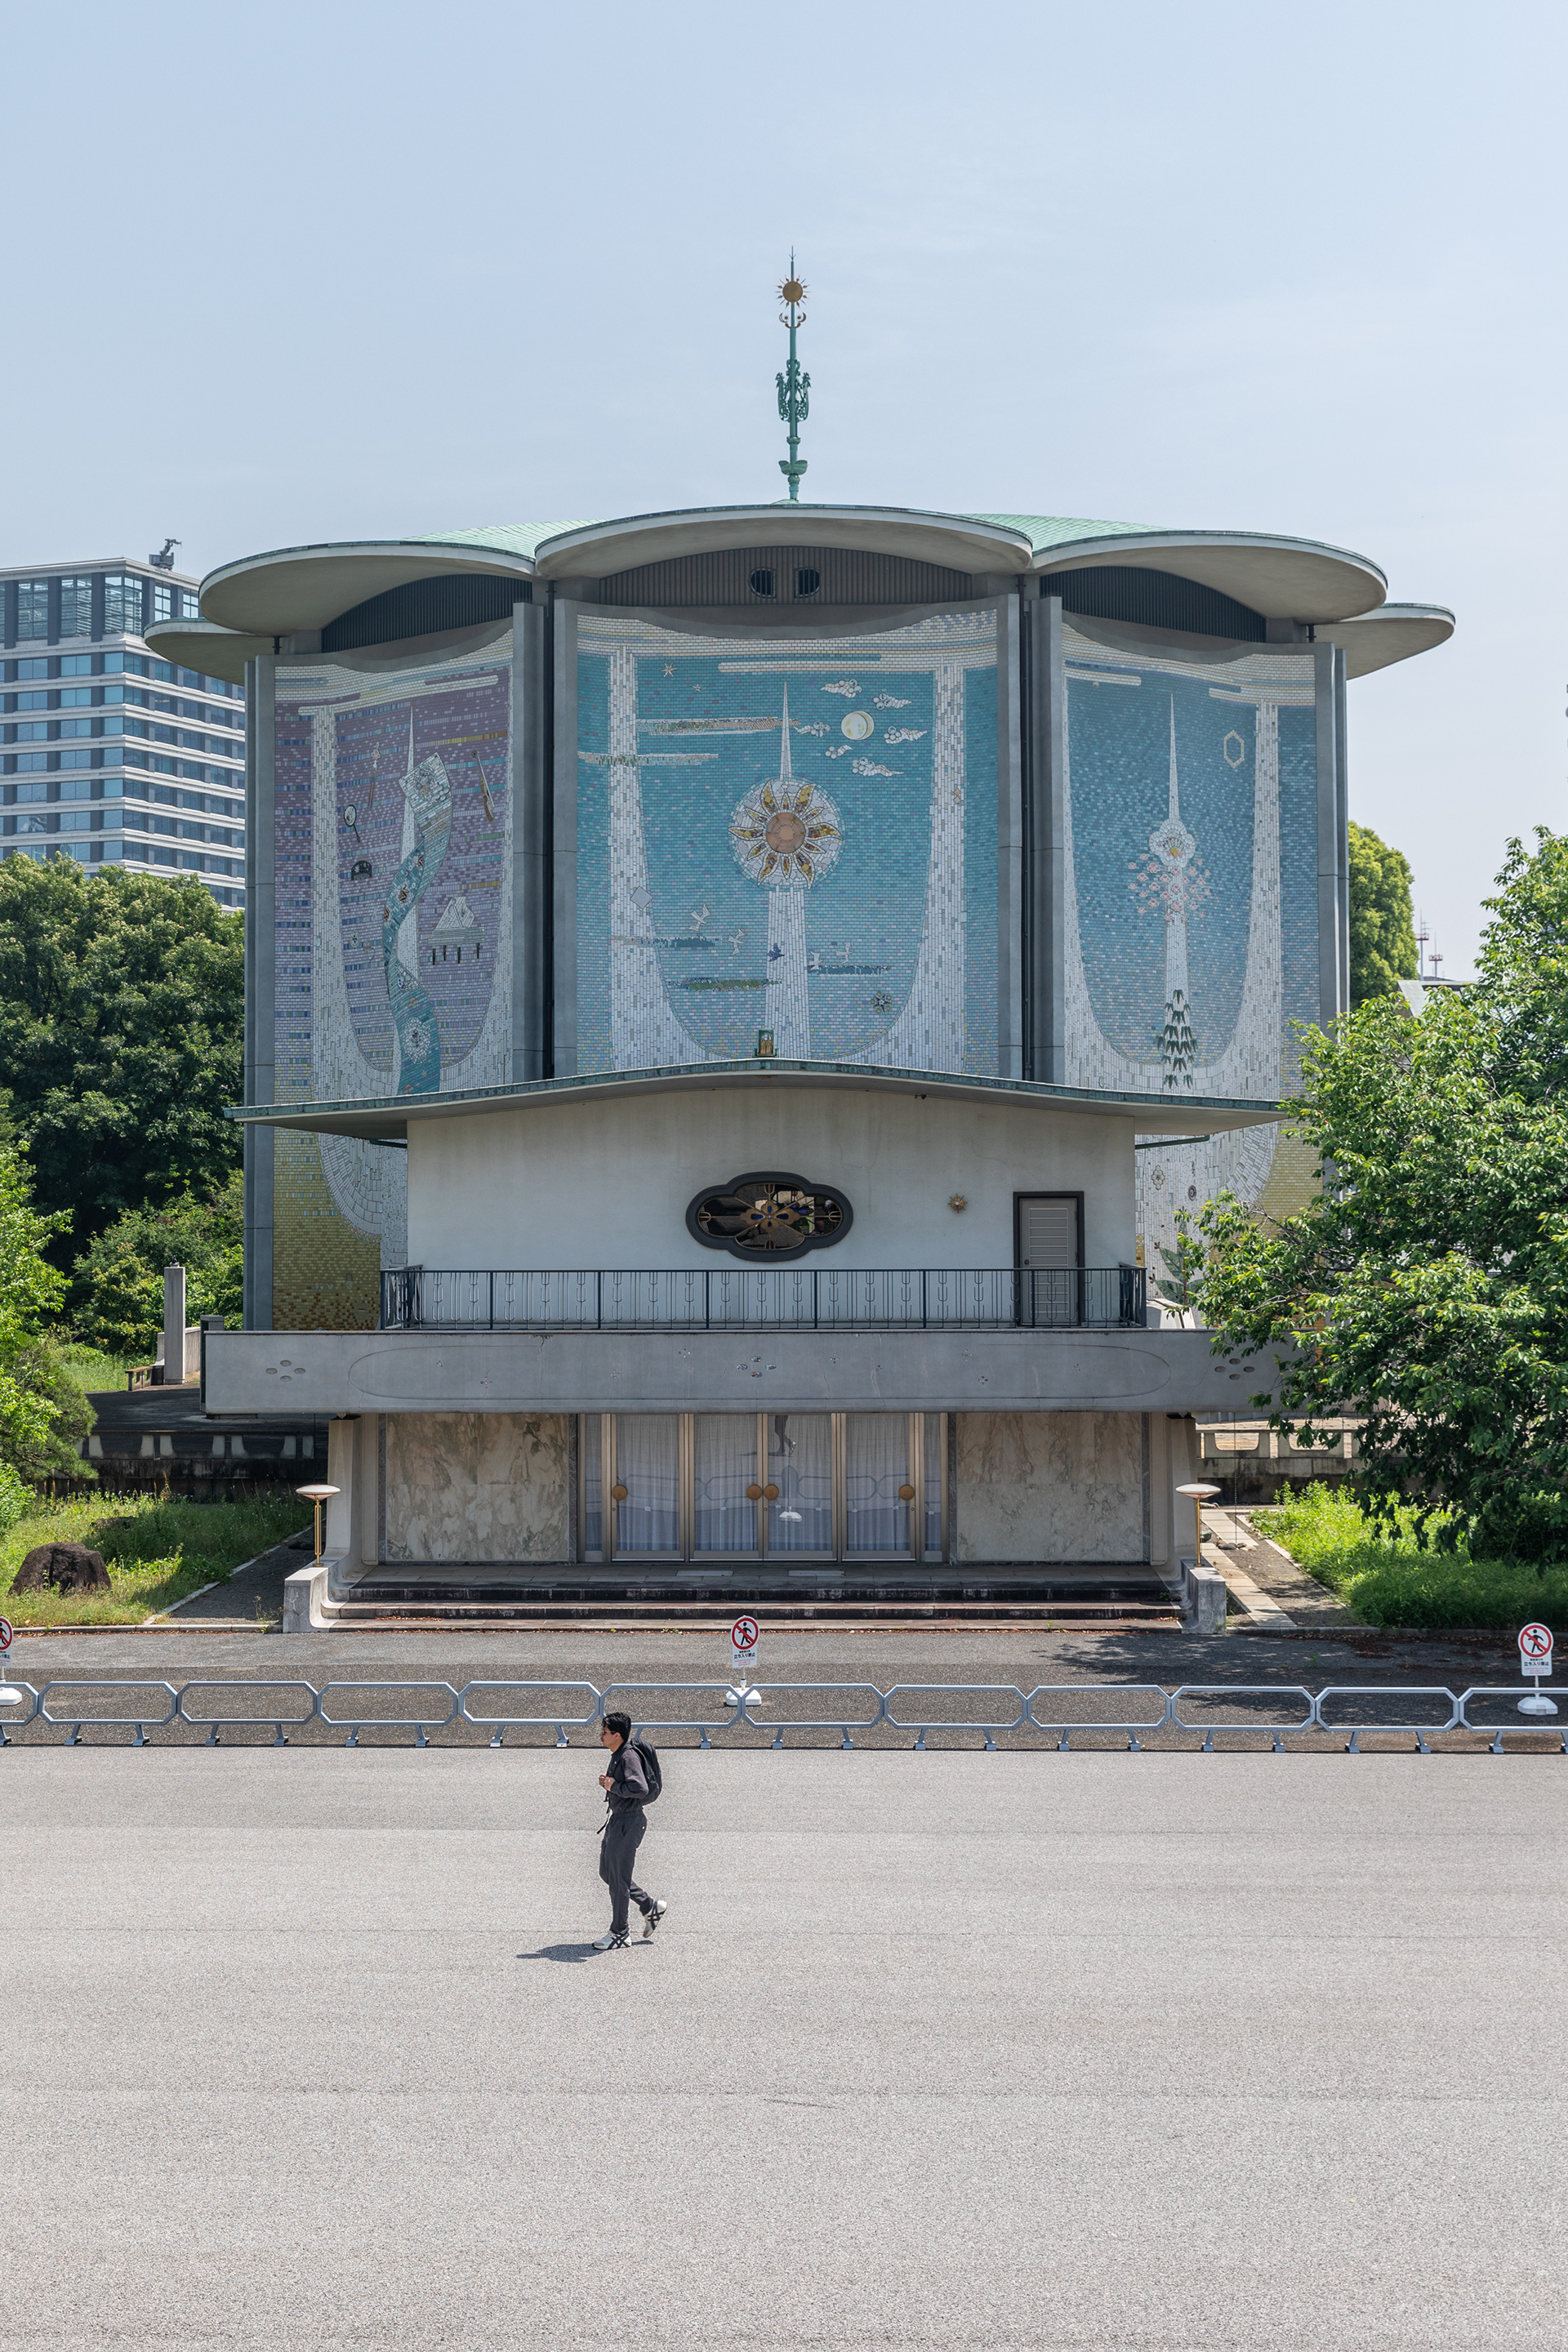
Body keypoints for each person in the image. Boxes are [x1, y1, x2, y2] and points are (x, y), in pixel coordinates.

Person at [593, 1713, 667, 1952]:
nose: (600, 1735)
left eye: (604, 1732)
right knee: (608, 1873)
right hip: (619, 1821)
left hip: (629, 1822)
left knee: (618, 1879)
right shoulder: (618, 1754)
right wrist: (610, 1783)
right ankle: (649, 1905)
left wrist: (614, 1785)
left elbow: (639, 1787)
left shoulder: (628, 1755)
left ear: (617, 1735)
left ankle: (620, 1932)